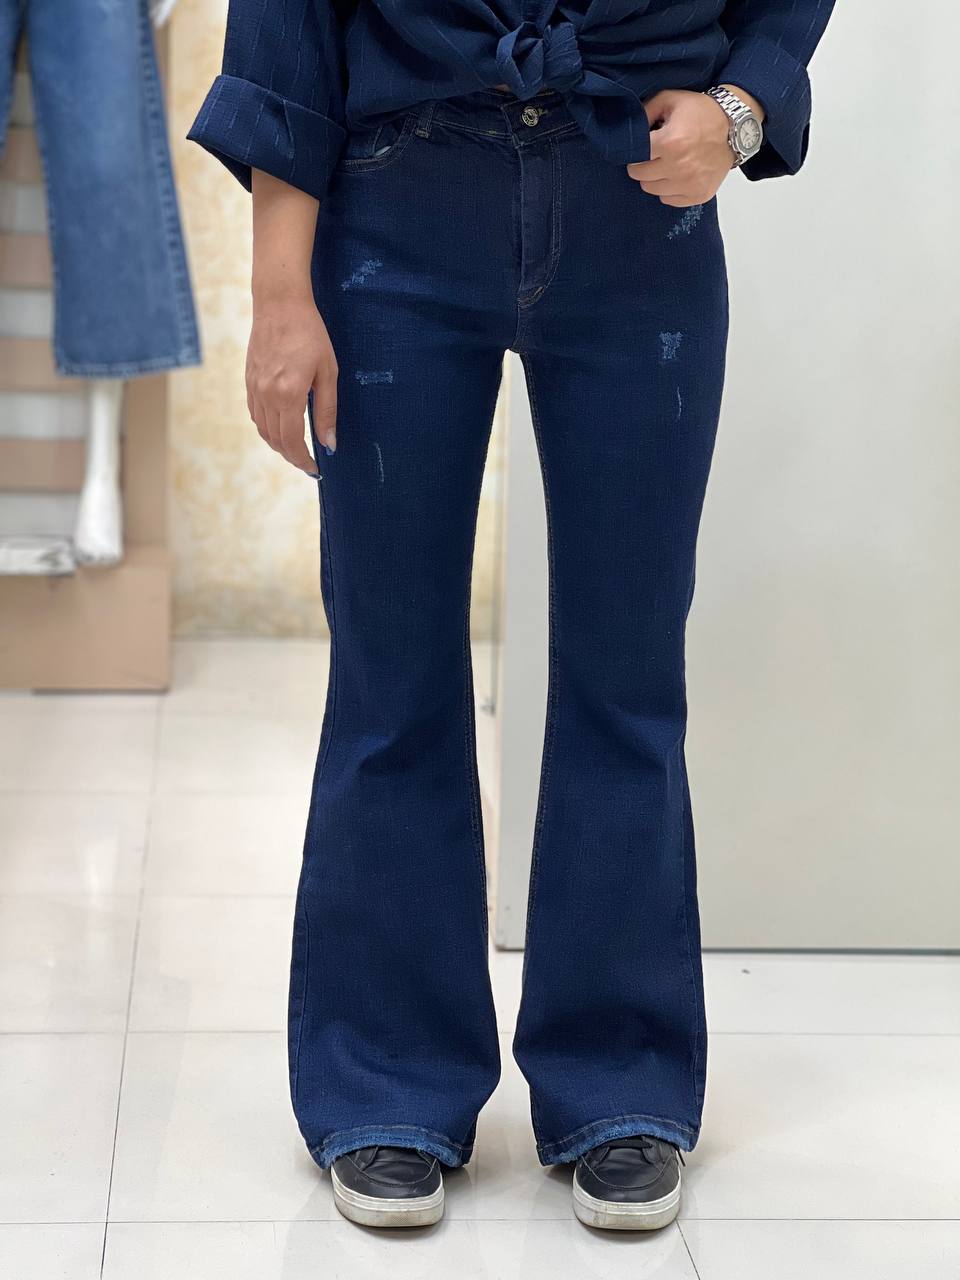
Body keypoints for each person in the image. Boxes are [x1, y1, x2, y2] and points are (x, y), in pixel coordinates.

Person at [189, 0, 835, 1233]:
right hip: (395, 198)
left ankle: (619, 1080)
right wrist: (279, 294)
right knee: (391, 674)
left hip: (639, 205)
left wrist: (744, 107)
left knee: (626, 673)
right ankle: (387, 1083)